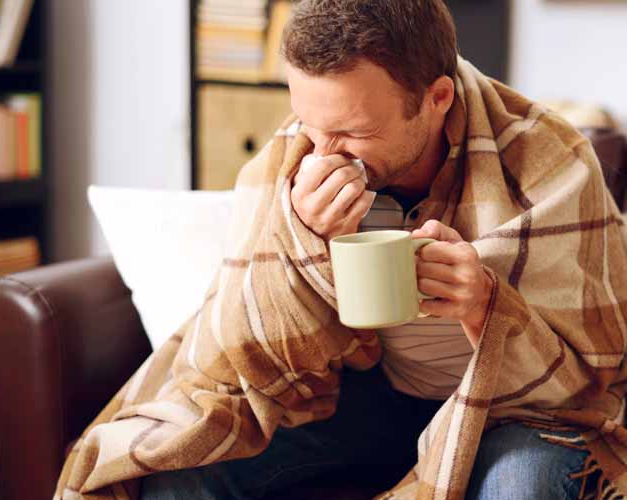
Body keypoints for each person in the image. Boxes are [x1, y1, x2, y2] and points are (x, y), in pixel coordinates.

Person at [142, 1, 601, 498]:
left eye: (353, 133)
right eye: (309, 127)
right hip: (374, 396)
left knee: (520, 489)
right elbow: (245, 353)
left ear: (437, 98)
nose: (323, 154)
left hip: (511, 412)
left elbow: (588, 381)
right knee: (182, 467)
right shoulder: (294, 158)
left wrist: (486, 307)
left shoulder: (550, 159)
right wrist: (304, 241)